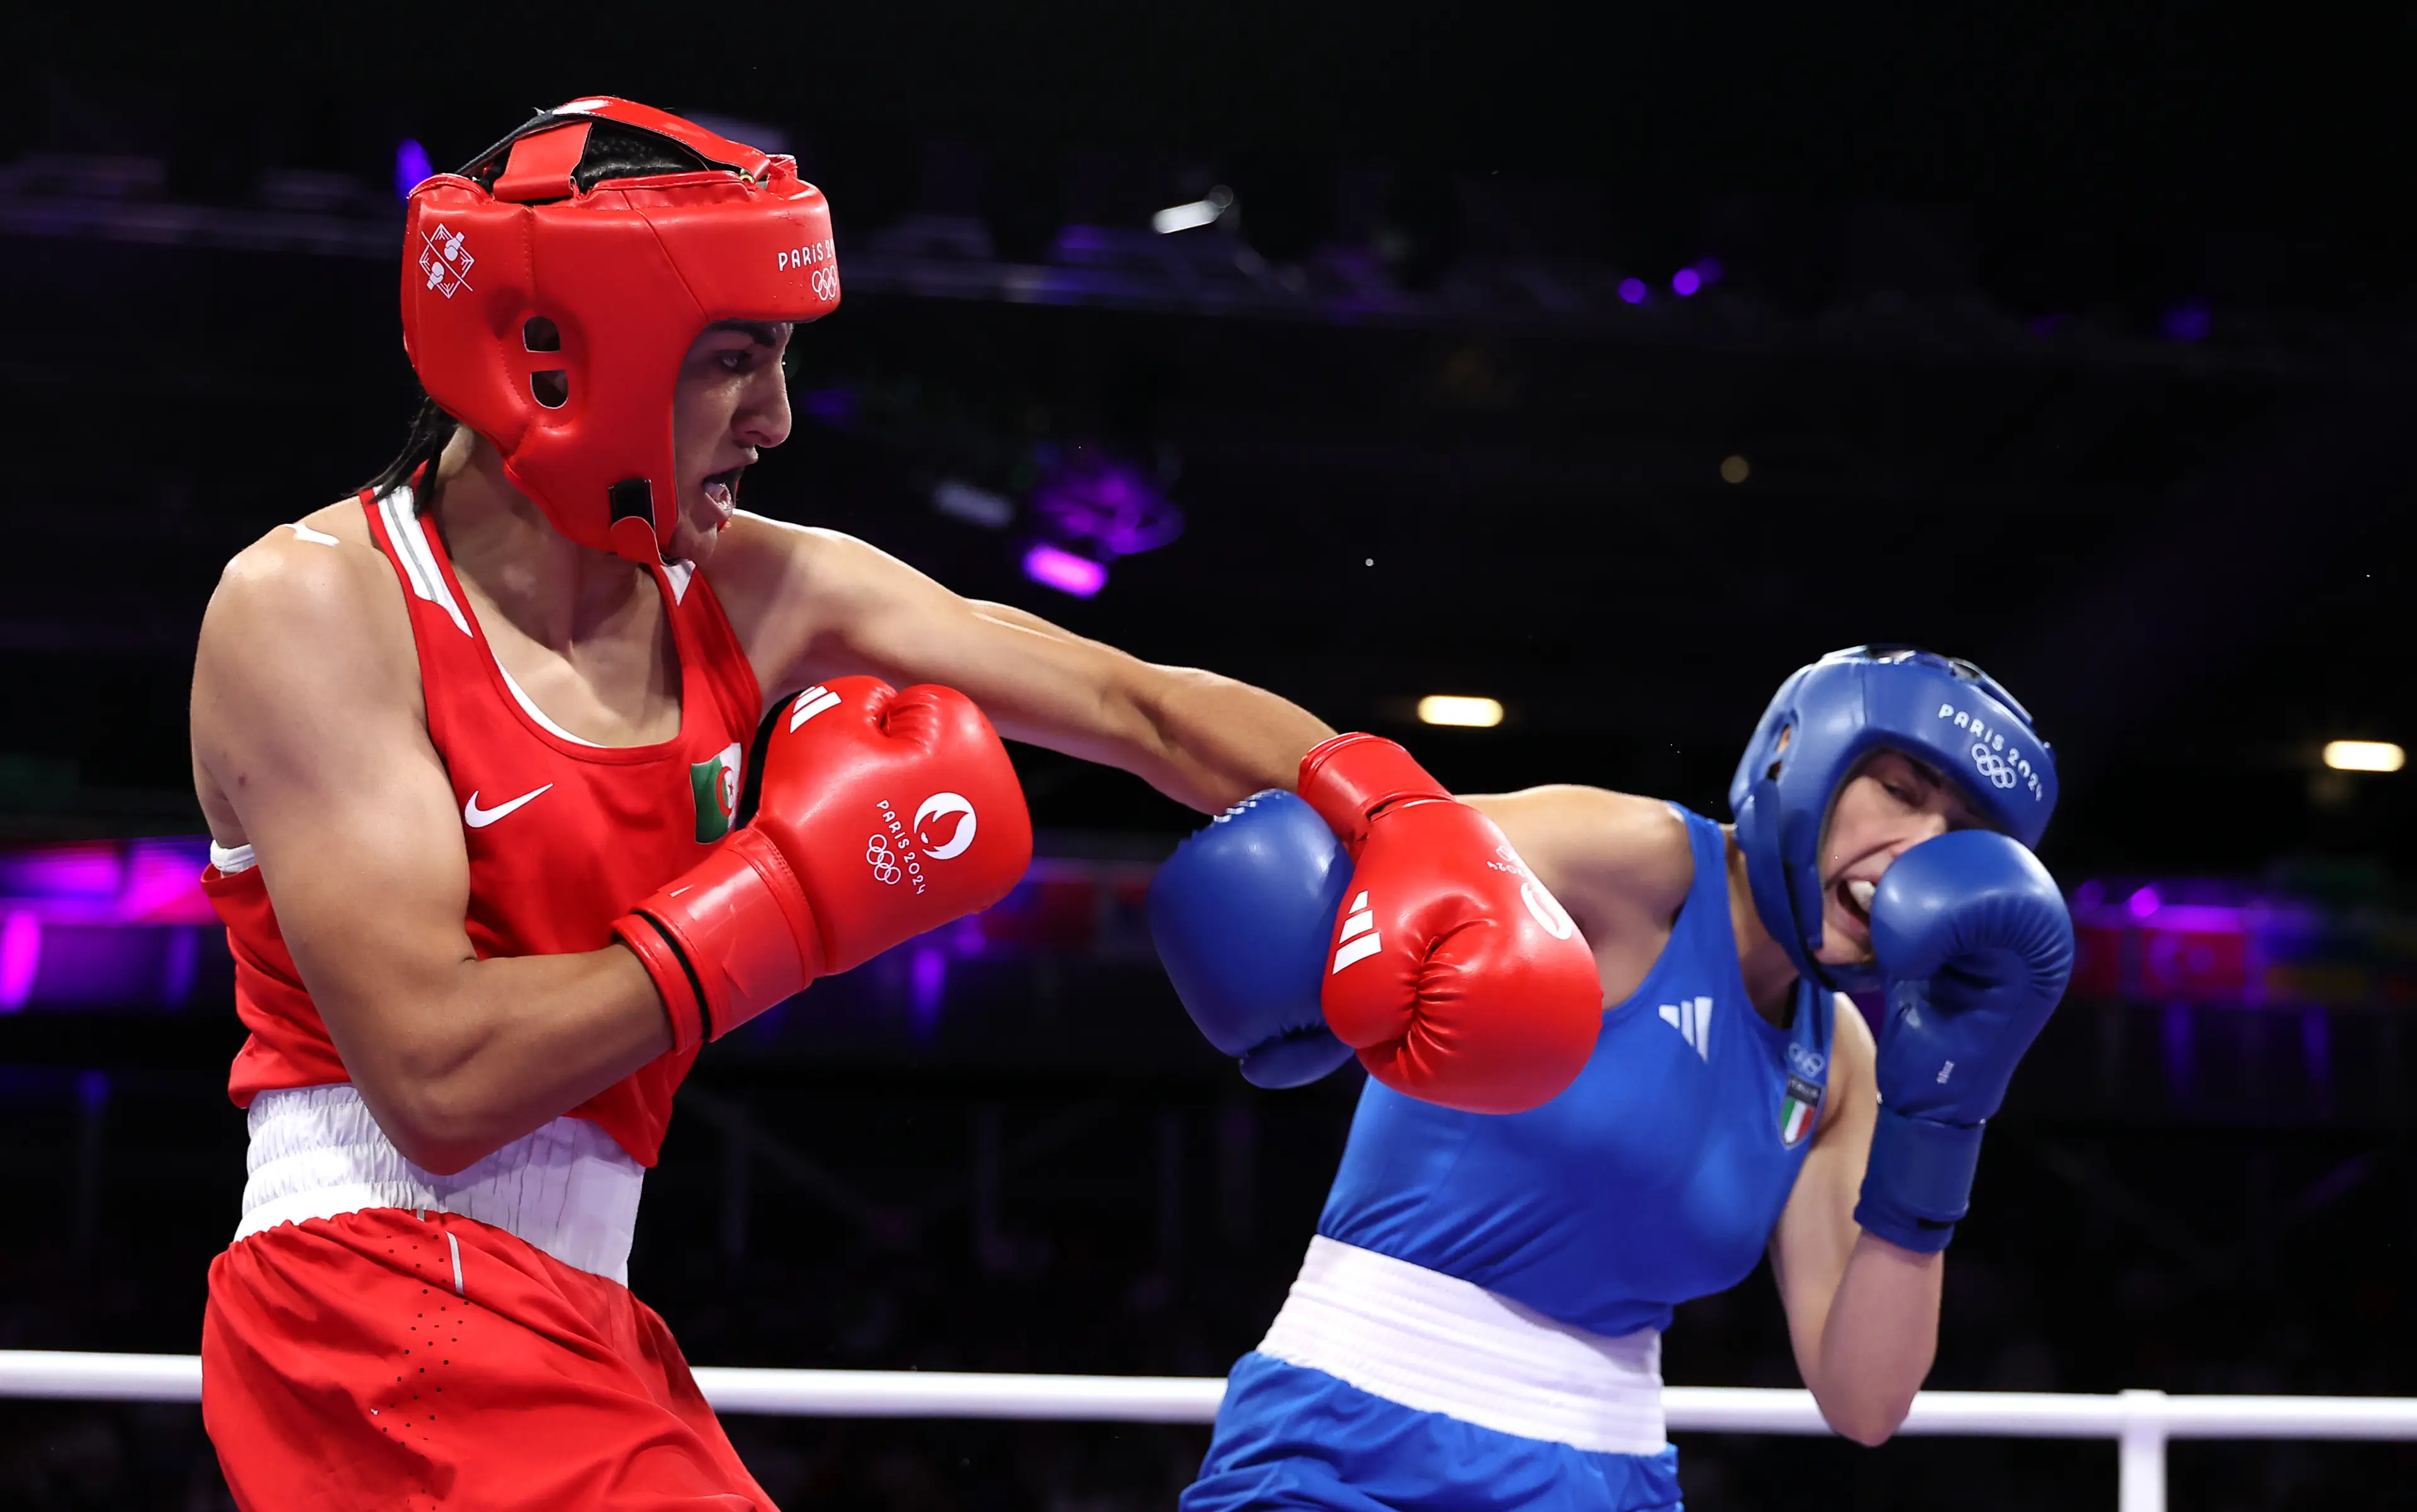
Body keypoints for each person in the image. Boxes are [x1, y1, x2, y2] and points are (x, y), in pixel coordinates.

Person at [187, 97, 1602, 1509]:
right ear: (565, 358)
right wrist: (785, 901)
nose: (776, 419)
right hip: (378, 1301)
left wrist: (1394, 813)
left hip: (576, 1307)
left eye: (781, 360)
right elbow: (437, 1085)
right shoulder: (319, 608)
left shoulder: (754, 588)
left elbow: (1134, 704)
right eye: (735, 360)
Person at [1149, 645, 2078, 1511]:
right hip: (1355, 1432)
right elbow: (1357, 810)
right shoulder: (1634, 862)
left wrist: (1947, 1114)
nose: (1924, 844)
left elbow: (1866, 1398)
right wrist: (1108, 698)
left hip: (1610, 1470)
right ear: (1804, 758)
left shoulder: (1841, 1060)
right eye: (1900, 789)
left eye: (1960, 831)